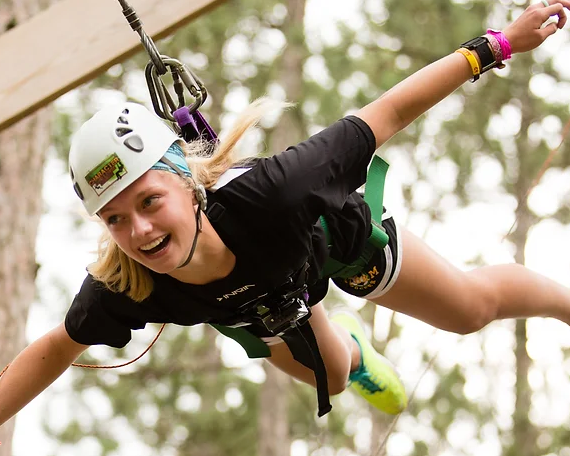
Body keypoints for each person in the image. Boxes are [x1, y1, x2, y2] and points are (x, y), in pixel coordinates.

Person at [2, 0, 570, 428]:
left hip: (330, 245)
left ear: (187, 181)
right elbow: (53, 349)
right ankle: (348, 340)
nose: (140, 230)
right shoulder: (124, 285)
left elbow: (389, 112)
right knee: (340, 375)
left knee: (471, 310)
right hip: (265, 307)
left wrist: (497, 44)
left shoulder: (279, 194)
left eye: (149, 202)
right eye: (115, 220)